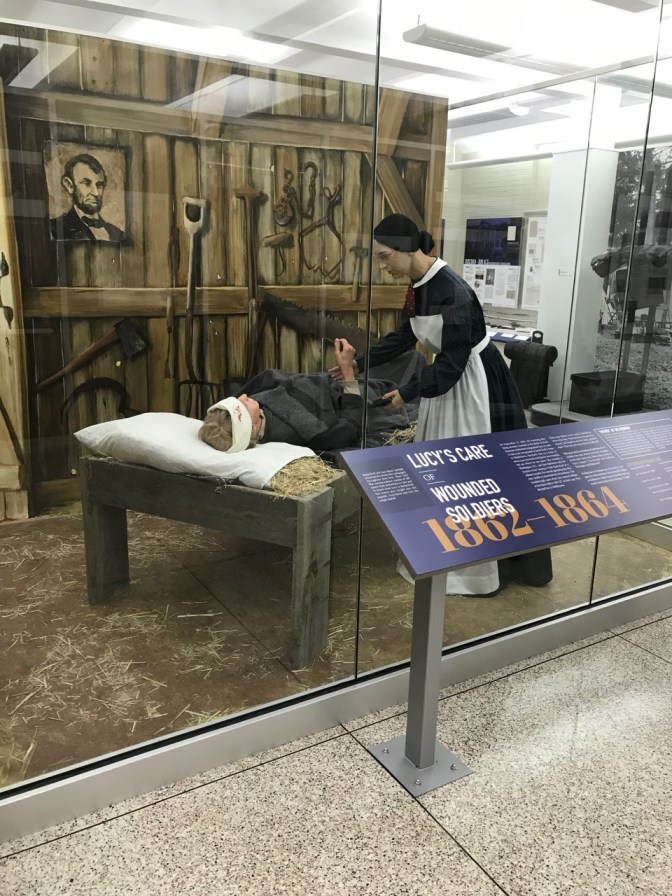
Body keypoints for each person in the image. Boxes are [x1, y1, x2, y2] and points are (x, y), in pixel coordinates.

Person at [331, 212, 552, 596]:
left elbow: (452, 362)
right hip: (447, 384)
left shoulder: (453, 291)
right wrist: (358, 362)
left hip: (473, 386)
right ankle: (438, 555)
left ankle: (473, 572)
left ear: (405, 249)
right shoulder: (419, 283)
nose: (382, 266)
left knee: (470, 476)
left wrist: (407, 392)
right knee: (441, 475)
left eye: (384, 257)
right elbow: (406, 335)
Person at [199, 338, 368, 453]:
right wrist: (347, 374)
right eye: (242, 406)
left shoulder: (253, 410)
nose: (243, 396)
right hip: (354, 395)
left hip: (330, 380)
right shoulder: (303, 430)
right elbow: (351, 426)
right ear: (252, 428)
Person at [49, 153, 125, 242]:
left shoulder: (118, 234)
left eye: (99, 185)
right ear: (69, 185)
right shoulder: (55, 229)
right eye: (86, 183)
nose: (96, 193)